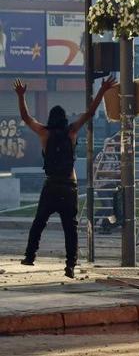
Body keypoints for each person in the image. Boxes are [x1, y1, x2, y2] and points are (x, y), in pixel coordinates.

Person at [14, 76, 117, 278]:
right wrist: (102, 90)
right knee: (70, 229)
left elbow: (26, 118)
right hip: (70, 187)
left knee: (38, 223)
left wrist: (21, 96)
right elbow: (89, 113)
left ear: (51, 119)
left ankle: (30, 256)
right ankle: (70, 265)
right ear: (64, 119)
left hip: (51, 186)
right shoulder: (72, 132)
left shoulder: (44, 133)